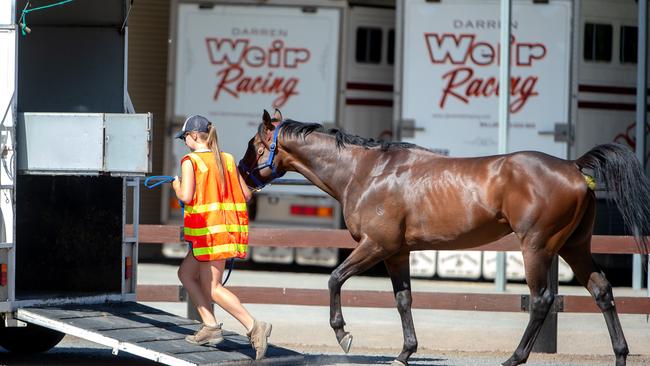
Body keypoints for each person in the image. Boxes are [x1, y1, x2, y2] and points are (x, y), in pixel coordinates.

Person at [171, 115, 272, 360]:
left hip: (209, 233)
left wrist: (176, 185)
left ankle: (254, 327)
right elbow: (246, 195)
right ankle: (210, 326)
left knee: (213, 288)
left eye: (185, 137)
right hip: (223, 231)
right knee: (185, 273)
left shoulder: (190, 161)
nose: (185, 142)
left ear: (195, 136)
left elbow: (185, 196)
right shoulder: (226, 159)